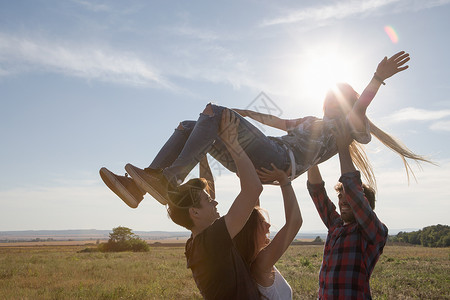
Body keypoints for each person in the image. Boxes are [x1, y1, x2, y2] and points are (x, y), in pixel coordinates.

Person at [100, 50, 430, 209]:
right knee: (190, 126)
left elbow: (361, 109)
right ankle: (138, 188)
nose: (328, 101)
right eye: (327, 96)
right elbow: (273, 122)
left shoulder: (346, 125)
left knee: (213, 112)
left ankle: (168, 179)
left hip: (277, 159)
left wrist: (376, 78)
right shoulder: (310, 122)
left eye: (335, 98)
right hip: (261, 153)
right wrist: (240, 113)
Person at [164, 109, 263, 299]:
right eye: (209, 202)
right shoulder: (211, 239)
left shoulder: (195, 244)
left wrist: (201, 150)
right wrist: (232, 142)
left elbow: (208, 188)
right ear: (195, 213)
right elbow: (253, 189)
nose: (215, 201)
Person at [306, 120, 388, 299]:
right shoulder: (336, 226)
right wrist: (309, 158)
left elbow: (354, 192)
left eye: (347, 196)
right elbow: (317, 192)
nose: (342, 200)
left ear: (364, 202)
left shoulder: (373, 232)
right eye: (340, 196)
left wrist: (343, 148)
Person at [233, 164, 302, 300]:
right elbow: (295, 222)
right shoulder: (260, 263)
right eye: (262, 222)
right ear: (250, 232)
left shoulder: (252, 260)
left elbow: (252, 209)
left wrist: (248, 175)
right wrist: (284, 181)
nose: (269, 225)